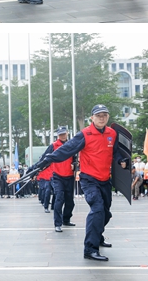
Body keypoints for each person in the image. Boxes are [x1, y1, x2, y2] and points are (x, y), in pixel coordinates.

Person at [31, 104, 126, 262]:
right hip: (89, 179)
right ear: (92, 118)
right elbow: (66, 150)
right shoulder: (84, 134)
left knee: (106, 213)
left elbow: (115, 152)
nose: (102, 118)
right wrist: (44, 162)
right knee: (97, 210)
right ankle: (90, 249)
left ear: (108, 117)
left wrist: (122, 160)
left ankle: (97, 237)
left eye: (104, 115)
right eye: (98, 115)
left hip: (105, 179)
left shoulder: (112, 133)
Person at [44, 127, 75, 232]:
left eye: (64, 134)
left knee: (70, 201)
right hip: (57, 176)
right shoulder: (53, 146)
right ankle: (57, 223)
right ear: (58, 135)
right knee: (59, 199)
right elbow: (45, 158)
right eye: (60, 134)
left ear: (67, 133)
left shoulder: (71, 145)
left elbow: (75, 158)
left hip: (69, 176)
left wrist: (74, 164)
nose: (62, 136)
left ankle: (66, 219)